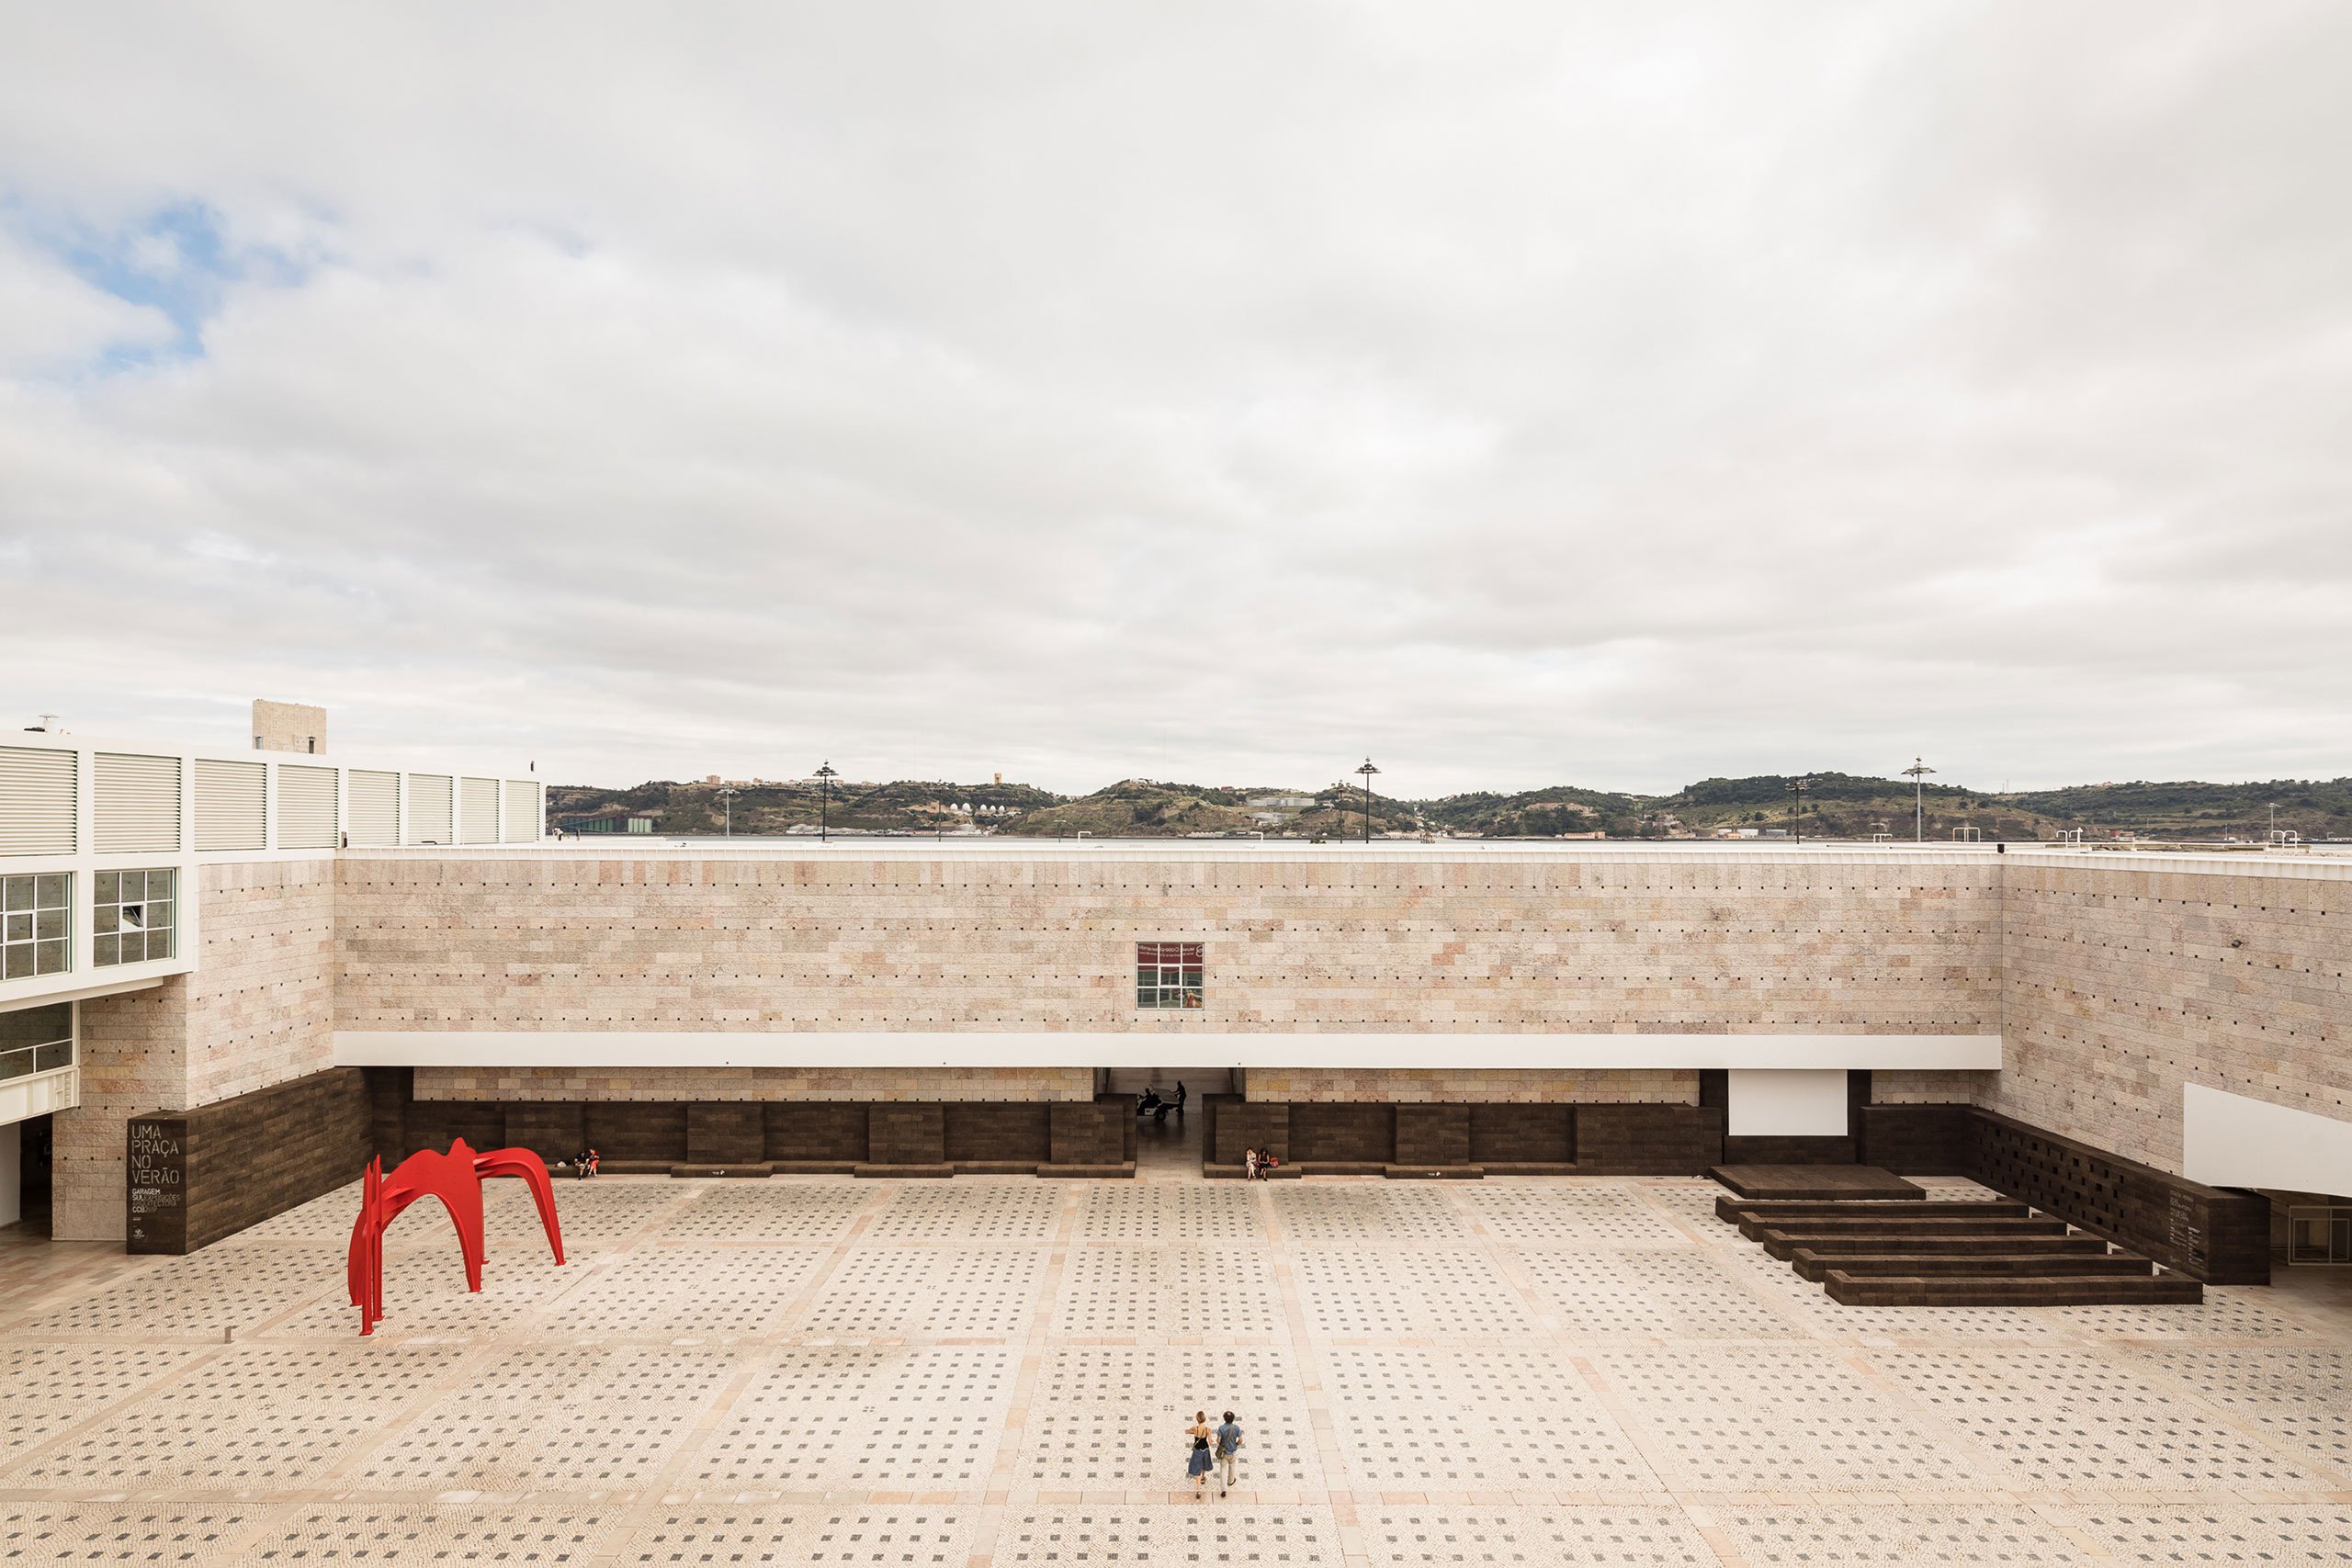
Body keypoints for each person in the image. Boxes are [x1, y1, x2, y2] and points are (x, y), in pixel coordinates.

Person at [1185, 1412, 1216, 1496]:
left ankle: (1198, 1490)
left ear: (1197, 1419)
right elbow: (1210, 1441)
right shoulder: (1208, 1429)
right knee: (1204, 1463)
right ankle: (1203, 1477)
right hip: (1205, 1449)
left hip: (1197, 1450)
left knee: (1197, 1467)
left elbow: (1187, 1431)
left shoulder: (1195, 1428)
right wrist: (1211, 1441)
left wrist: (1192, 1432)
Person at [1214, 1410, 1242, 1495]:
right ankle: (1230, 1481)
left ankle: (1223, 1489)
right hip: (1233, 1452)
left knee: (1223, 1469)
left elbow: (1218, 1440)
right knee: (1232, 1466)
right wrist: (1236, 1444)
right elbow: (1241, 1440)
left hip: (1224, 1453)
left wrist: (1221, 1444)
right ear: (1233, 1419)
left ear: (1224, 1419)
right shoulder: (1236, 1428)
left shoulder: (1221, 1428)